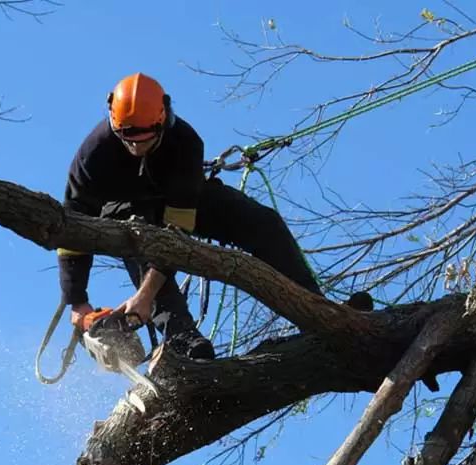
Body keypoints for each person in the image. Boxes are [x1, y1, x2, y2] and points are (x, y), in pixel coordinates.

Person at [58, 73, 323, 360]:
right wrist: (77, 302)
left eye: (144, 139)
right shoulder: (92, 157)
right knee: (135, 236)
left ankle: (318, 310)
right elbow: (72, 228)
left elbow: (177, 233)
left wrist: (145, 296)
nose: (135, 147)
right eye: (128, 138)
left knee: (262, 222)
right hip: (124, 213)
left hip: (177, 204)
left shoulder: (185, 143)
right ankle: (183, 336)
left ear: (162, 121)